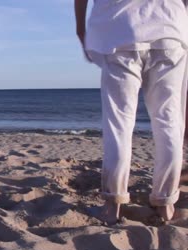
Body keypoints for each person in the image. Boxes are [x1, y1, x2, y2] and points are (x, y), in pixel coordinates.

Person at [75, 0, 188, 223]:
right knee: (169, 123)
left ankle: (112, 205)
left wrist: (81, 29)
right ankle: (165, 203)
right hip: (170, 29)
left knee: (119, 125)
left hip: (121, 31)